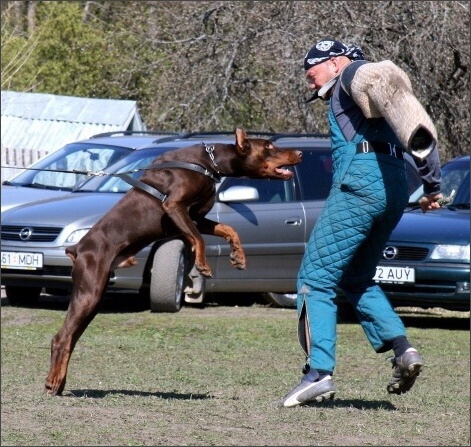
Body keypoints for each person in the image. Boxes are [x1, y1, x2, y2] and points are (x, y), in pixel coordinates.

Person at [278, 38, 443, 408]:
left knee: (314, 279)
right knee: (355, 277)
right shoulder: (348, 89)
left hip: (360, 185)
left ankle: (318, 373)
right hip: (394, 186)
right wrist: (430, 182)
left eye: (311, 73)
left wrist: (433, 180)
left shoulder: (355, 72)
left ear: (335, 62)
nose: (309, 82)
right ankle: (403, 351)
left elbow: (394, 92)